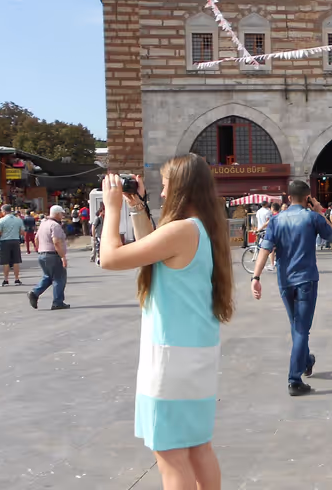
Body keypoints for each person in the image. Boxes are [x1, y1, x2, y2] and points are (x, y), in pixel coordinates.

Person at [98, 160, 233, 490]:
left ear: (181, 189)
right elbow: (156, 254)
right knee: (198, 447)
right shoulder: (202, 228)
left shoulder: (181, 230)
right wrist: (138, 207)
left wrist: (111, 208)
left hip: (170, 359)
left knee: (171, 455)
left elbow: (109, 258)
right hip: (196, 355)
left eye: (166, 185)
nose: (161, 191)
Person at [252, 179, 332, 397]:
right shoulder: (312, 217)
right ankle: (294, 379)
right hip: (306, 279)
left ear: (288, 197)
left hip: (285, 280)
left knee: (297, 326)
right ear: (307, 197)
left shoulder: (276, 220)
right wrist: (321, 211)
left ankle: (307, 360)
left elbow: (265, 249)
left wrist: (256, 276)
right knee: (301, 329)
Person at [27, 205, 70, 310]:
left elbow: (36, 239)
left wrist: (40, 249)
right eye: (61, 214)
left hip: (43, 254)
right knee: (59, 278)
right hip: (52, 254)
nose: (62, 216)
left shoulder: (43, 223)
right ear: (57, 214)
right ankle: (57, 302)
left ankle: (35, 292)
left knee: (48, 277)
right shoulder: (55, 225)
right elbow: (56, 242)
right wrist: (63, 257)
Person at [0, 204, 25, 286]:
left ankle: (6, 279)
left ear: (4, 211)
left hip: (5, 241)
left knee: (6, 262)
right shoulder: (18, 220)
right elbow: (22, 232)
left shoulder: (1, 220)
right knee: (16, 261)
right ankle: (17, 279)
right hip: (15, 240)